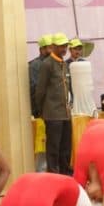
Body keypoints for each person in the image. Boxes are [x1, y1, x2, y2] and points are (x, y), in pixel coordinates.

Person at [33, 33, 73, 174]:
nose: (64, 49)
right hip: (52, 113)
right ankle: (54, 174)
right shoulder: (47, 64)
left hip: (66, 113)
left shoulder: (64, 63)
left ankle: (66, 173)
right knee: (53, 148)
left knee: (66, 147)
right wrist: (41, 111)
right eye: (61, 46)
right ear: (53, 47)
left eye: (66, 46)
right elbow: (40, 90)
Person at [29, 35, 52, 113]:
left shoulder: (55, 63)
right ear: (41, 50)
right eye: (50, 48)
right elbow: (35, 88)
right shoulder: (35, 65)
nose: (52, 51)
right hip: (42, 109)